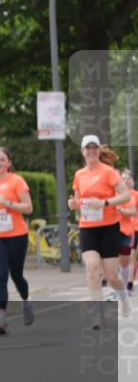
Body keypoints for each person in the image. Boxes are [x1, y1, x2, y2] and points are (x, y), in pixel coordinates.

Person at [67, 136, 133, 328]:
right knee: (92, 268)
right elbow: (77, 201)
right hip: (88, 227)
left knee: (111, 275)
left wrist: (105, 202)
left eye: (94, 147)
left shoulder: (108, 172)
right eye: (87, 148)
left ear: (98, 150)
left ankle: (124, 299)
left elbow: (125, 195)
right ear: (82, 151)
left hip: (109, 227)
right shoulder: (79, 175)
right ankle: (98, 315)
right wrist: (73, 204)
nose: (91, 151)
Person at [0, 147, 33, 335]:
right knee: (0, 276)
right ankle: (1, 319)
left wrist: (9, 203)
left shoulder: (17, 181)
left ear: (9, 163)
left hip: (17, 235)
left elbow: (28, 208)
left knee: (16, 275)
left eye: (2, 160)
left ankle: (26, 301)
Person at [117, 169, 137, 293]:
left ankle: (129, 283)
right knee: (117, 259)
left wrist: (122, 211)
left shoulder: (135, 195)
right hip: (116, 229)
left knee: (131, 257)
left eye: (127, 178)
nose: (125, 181)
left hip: (132, 229)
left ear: (132, 181)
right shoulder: (116, 193)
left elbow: (133, 211)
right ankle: (125, 285)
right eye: (123, 178)